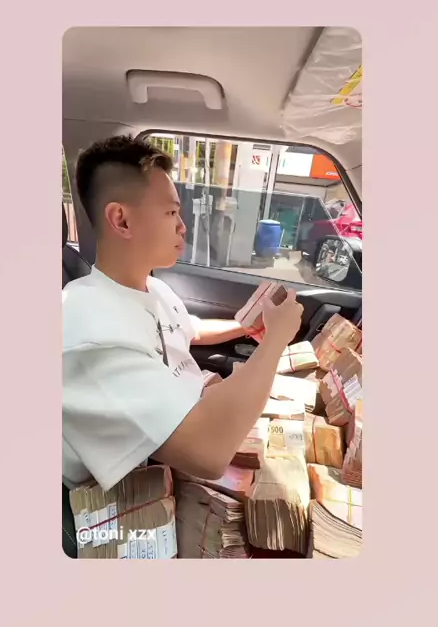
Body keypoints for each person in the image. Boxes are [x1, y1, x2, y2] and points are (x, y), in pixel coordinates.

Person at [63, 135, 304, 492]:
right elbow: (208, 452)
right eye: (171, 212)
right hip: (127, 498)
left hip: (177, 446)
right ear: (122, 220)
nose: (183, 225)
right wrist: (277, 341)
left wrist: (245, 326)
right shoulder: (87, 328)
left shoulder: (153, 288)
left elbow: (191, 328)